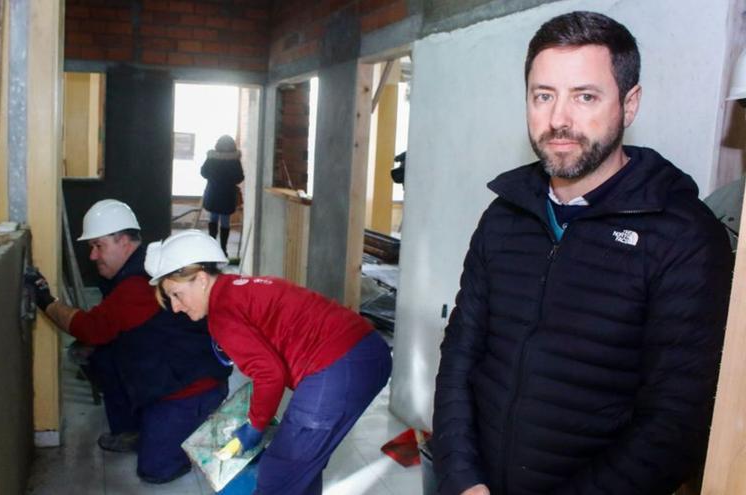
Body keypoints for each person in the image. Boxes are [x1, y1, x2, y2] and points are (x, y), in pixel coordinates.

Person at [431, 11, 734, 495]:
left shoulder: (683, 237)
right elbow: (460, 359)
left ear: (629, 104)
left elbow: (676, 422)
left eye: (585, 97)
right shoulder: (504, 217)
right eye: (543, 95)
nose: (558, 120)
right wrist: (462, 478)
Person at [143, 230, 392, 495]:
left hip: (340, 365)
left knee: (278, 472)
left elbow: (269, 374)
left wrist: (255, 425)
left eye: (176, 294)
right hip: (365, 352)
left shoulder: (223, 313)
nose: (176, 306)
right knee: (301, 468)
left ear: (202, 279)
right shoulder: (237, 288)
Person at [24, 199, 232, 484]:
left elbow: (90, 327)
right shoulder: (142, 264)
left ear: (123, 241)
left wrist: (45, 300)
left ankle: (200, 433)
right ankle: (136, 428)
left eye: (99, 246)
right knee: (100, 354)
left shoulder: (138, 283)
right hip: (173, 374)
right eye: (92, 248)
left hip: (191, 389)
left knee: (155, 470)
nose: (94, 256)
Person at [200, 134, 244, 255]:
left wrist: (214, 178)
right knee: (225, 221)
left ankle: (212, 247)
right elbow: (240, 177)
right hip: (227, 194)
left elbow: (203, 172)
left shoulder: (212, 157)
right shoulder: (234, 159)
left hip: (213, 192)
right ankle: (223, 249)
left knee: (213, 218)